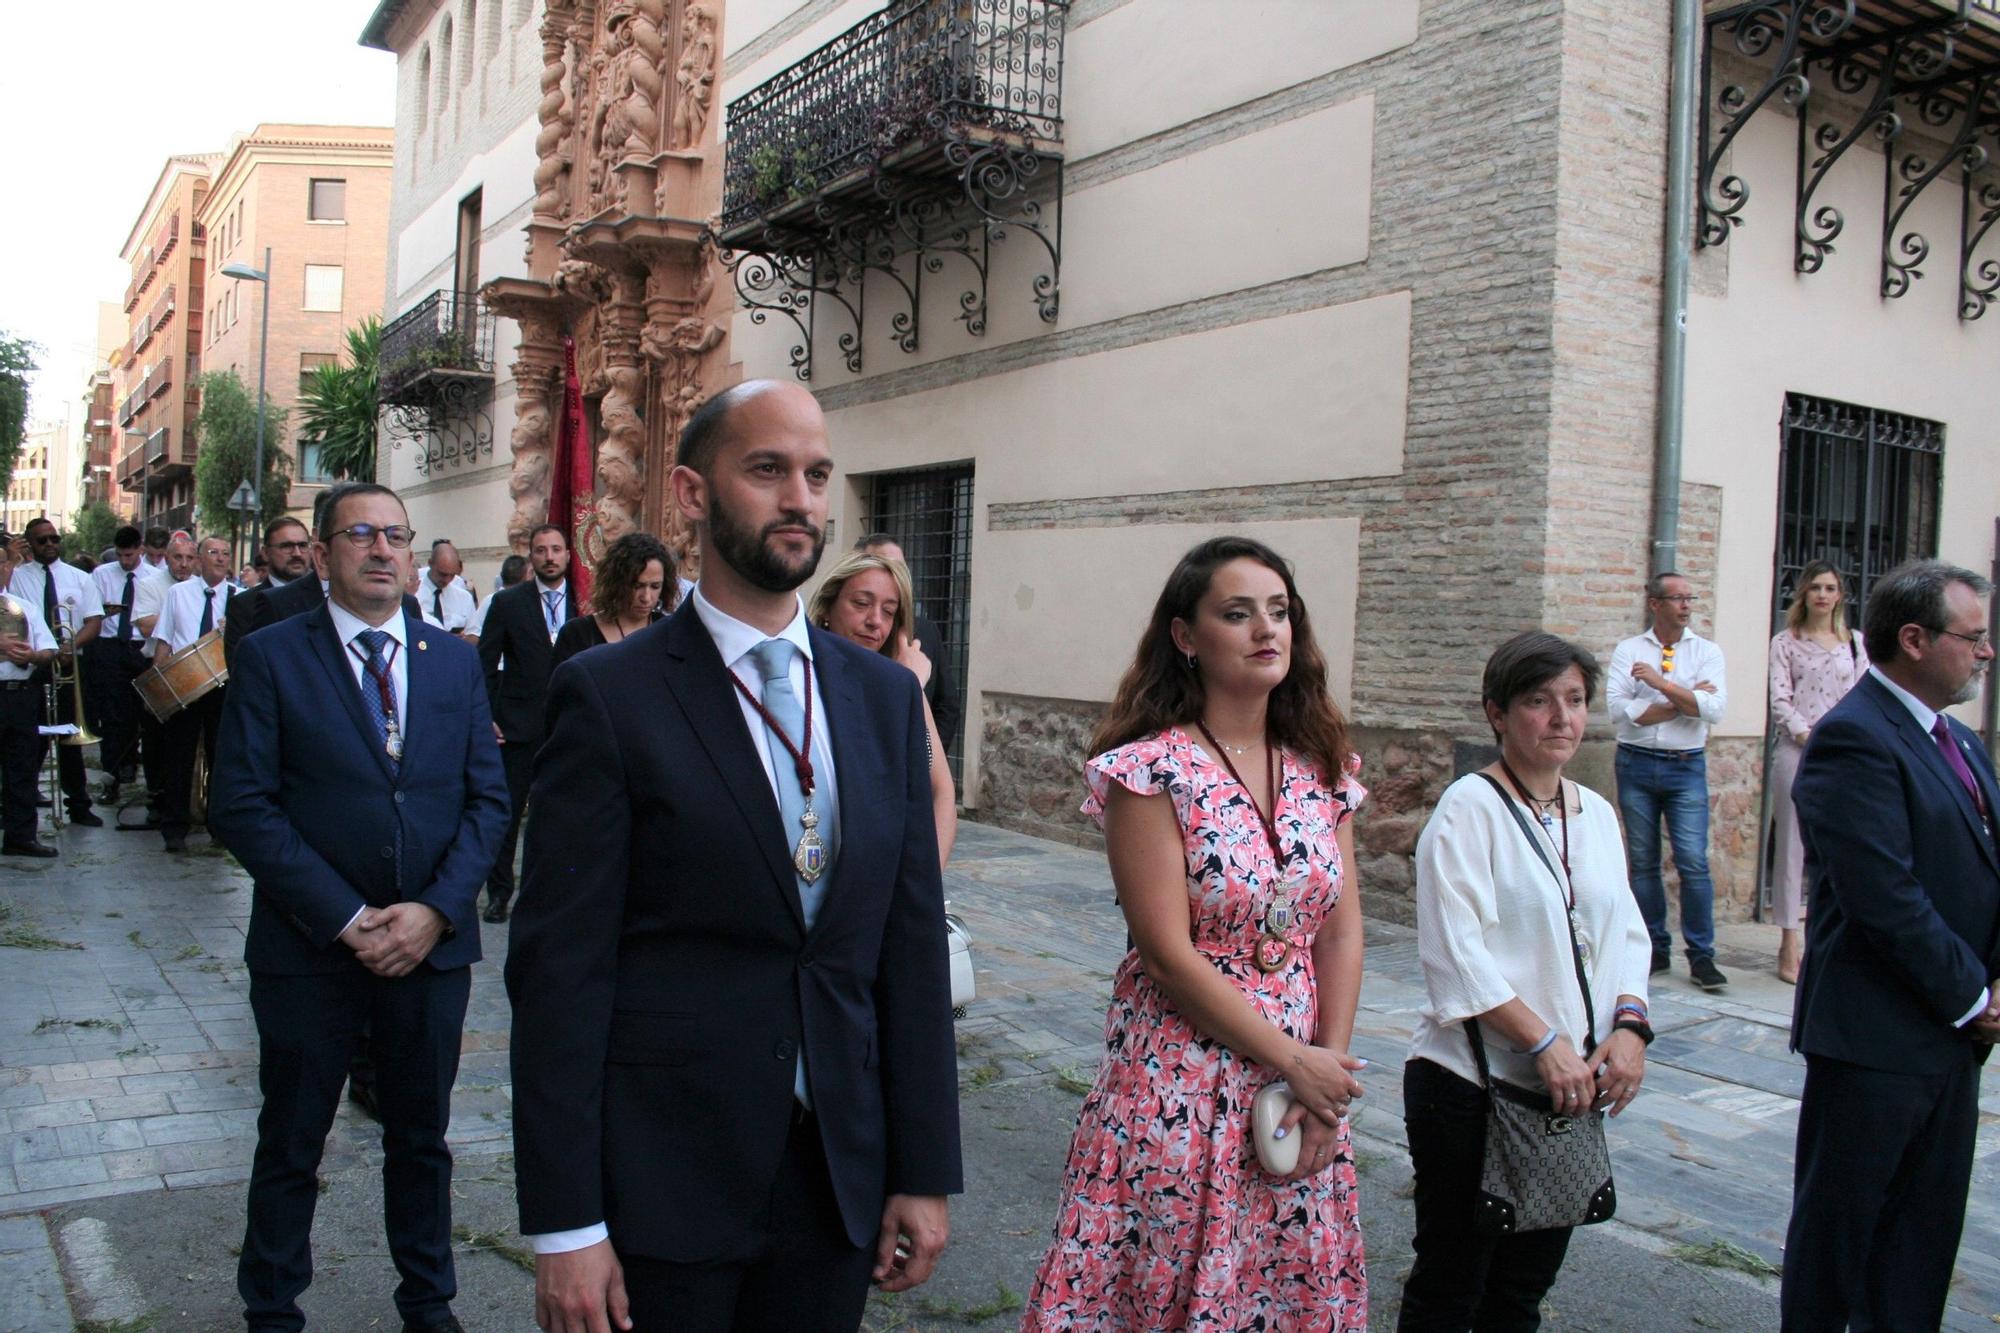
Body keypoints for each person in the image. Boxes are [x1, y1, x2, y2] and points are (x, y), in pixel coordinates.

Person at [508, 380, 960, 1333]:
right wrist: (564, 1224)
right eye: (767, 470)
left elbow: (907, 950)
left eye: (817, 473)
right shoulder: (609, 695)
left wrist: (923, 1169)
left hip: (834, 1175)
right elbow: (560, 973)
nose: (801, 498)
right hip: (663, 1183)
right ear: (691, 492)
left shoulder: (880, 699)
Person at [1023, 535, 1369, 1330]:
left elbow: (1341, 931)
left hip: (1297, 1086)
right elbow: (1166, 954)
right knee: (1163, 1286)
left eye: (1279, 611)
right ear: (1186, 636)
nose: (1265, 629)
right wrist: (1294, 1060)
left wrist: (1327, 1076)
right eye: (1237, 612)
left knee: (1280, 1289)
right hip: (1178, 1079)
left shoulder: (1321, 764)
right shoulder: (1149, 770)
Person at [211, 481, 508, 1333]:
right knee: (293, 1138)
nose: (383, 550)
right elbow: (241, 804)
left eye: (397, 536)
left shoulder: (453, 660)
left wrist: (436, 911)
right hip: (310, 951)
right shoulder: (272, 656)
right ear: (325, 554)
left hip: (430, 952)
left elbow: (490, 800)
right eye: (361, 535)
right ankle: (271, 1305)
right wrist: (347, 917)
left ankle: (429, 1300)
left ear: (413, 555)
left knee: (422, 1140)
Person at [1400, 632, 1652, 1331]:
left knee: (1521, 1294)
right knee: (1452, 1285)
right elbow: (1457, 952)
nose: (1561, 717)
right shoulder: (1467, 809)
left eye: (1573, 700)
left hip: (1565, 1092)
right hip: (1471, 1087)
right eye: (1538, 701)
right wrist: (1542, 1039)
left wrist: (1629, 1029)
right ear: (1498, 714)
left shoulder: (1595, 815)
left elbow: (1626, 934)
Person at [1782, 560, 2000, 1331]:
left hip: (1949, 1041)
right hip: (1874, 1041)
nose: (1987, 651)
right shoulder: (1854, 738)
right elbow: (1886, 896)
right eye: (1974, 636)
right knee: (1840, 1247)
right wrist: (1974, 995)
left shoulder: (1963, 744)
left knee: (1919, 1249)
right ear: (1914, 638)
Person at [1607, 571, 1728, 990]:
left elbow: (1713, 710)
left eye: (1689, 598)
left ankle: (1701, 956)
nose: (1686, 606)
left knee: (1693, 862)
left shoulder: (1707, 652)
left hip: (1686, 764)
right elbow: (1620, 712)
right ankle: (1653, 948)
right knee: (1643, 862)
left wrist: (1657, 685)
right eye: (1677, 599)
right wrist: (1685, 701)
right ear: (1654, 604)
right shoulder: (1629, 651)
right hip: (1636, 763)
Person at [809, 549, 957, 867]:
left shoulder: (903, 688)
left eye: (889, 612)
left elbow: (941, 794)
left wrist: (927, 884)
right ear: (827, 607)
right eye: (861, 604)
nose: (875, 620)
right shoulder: (801, 677)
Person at [1766, 560, 1868, 984]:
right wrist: (1804, 731)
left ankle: (1833, 936)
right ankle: (1790, 942)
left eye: (1830, 588)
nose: (1823, 595)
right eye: (1815, 588)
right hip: (1798, 750)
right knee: (1792, 846)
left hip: (1841, 754)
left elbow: (1862, 696)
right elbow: (1780, 698)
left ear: (1840, 595)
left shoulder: (1855, 644)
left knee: (1843, 844)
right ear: (1804, 595)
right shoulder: (1785, 642)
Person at [475, 524, 576, 924]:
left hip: (571, 725)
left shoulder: (586, 602)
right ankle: (499, 893)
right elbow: (484, 663)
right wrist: (486, 716)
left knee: (563, 814)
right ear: (530, 555)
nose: (549, 557)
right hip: (517, 726)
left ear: (568, 554)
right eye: (540, 550)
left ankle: (554, 891)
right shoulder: (508, 603)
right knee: (507, 812)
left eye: (556, 549)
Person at [9, 517, 105, 826]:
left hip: (68, 665)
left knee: (70, 735)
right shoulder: (18, 576)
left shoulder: (79, 578)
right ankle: (17, 802)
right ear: (30, 544)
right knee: (29, 737)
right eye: (42, 540)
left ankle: (78, 803)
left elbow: (93, 622)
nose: (50, 544)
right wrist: (11, 558)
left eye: (54, 538)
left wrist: (68, 647)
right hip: (31, 664)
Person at [150, 536, 238, 853]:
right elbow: (163, 639)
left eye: (225, 553)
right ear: (199, 558)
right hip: (184, 684)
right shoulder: (178, 593)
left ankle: (219, 828)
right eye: (213, 552)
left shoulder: (238, 597)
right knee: (178, 758)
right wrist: (157, 685)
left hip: (222, 685)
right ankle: (174, 827)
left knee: (221, 758)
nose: (220, 558)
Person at [859, 534, 962, 757]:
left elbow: (947, 706)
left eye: (901, 568)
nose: (895, 577)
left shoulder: (925, 632)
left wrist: (928, 762)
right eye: (884, 566)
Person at [0, 535, 59, 857]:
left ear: (9, 568)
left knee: (22, 768)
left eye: (1, 564)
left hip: (20, 694)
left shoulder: (27, 608)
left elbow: (50, 651)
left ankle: (20, 836)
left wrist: (31, 656)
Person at [85, 526, 150, 803]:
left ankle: (132, 764)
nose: (125, 560)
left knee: (142, 712)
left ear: (140, 549)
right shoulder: (101, 574)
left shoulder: (154, 577)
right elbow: (90, 609)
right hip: (110, 646)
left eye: (130, 554)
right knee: (112, 715)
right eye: (121, 555)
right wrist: (103, 611)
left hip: (140, 647)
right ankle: (110, 779)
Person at [549, 532, 674, 669]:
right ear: (616, 583)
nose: (646, 597)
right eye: (637, 586)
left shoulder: (670, 632)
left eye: (655, 586)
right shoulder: (577, 634)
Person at [225, 518, 315, 670]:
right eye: (287, 546)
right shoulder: (244, 605)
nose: (297, 553)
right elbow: (240, 668)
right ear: (266, 553)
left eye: (303, 545)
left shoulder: (328, 597)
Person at [463, 554, 527, 645]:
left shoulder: (489, 600)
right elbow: (472, 638)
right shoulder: (492, 601)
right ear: (525, 578)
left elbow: (472, 638)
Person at [420, 540, 477, 633]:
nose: (447, 580)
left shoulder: (464, 598)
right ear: (430, 563)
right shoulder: (413, 595)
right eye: (443, 574)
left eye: (452, 575)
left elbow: (474, 633)